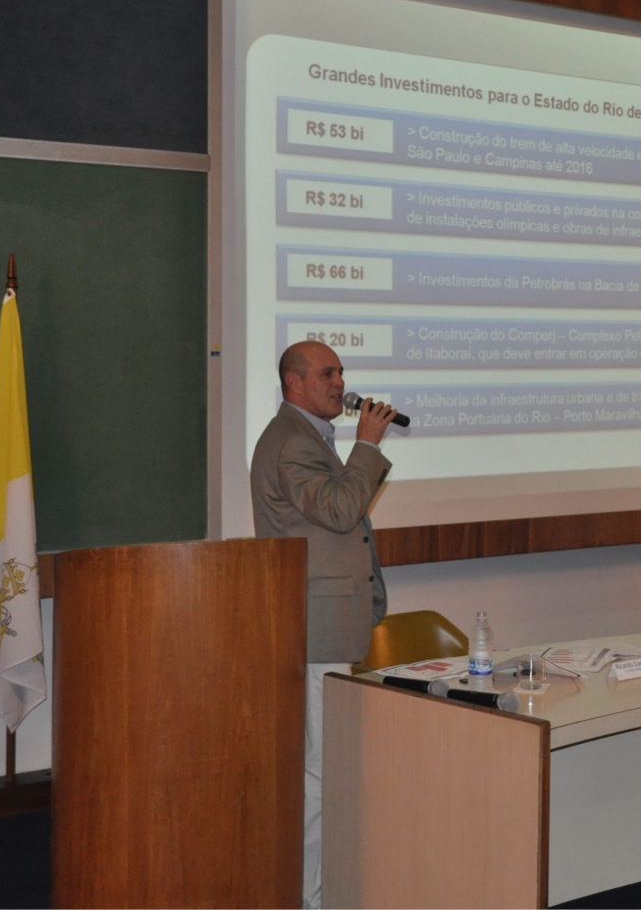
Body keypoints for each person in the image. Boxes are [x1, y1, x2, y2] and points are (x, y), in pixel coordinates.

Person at [250, 340, 397, 910]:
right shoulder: (290, 444)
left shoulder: (307, 437)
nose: (340, 382)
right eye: (327, 373)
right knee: (319, 770)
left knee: (324, 764)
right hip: (315, 631)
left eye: (341, 372)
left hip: (331, 624)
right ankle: (312, 899)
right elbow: (339, 511)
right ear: (294, 383)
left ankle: (321, 889)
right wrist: (366, 446)